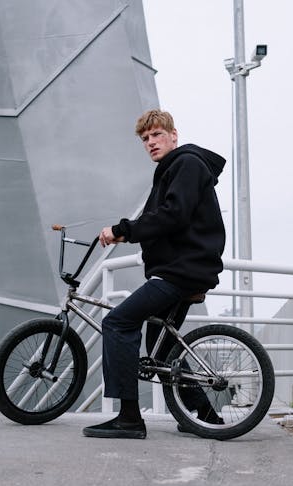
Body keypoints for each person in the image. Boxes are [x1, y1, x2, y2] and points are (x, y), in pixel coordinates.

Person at [82, 110, 226, 439]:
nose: (150, 143)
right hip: (181, 268)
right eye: (145, 139)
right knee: (160, 348)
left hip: (182, 271)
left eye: (157, 135)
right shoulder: (170, 171)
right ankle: (204, 415)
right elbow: (159, 220)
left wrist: (122, 230)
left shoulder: (186, 164)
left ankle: (129, 417)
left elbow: (172, 215)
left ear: (174, 135)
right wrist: (130, 234)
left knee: (118, 322)